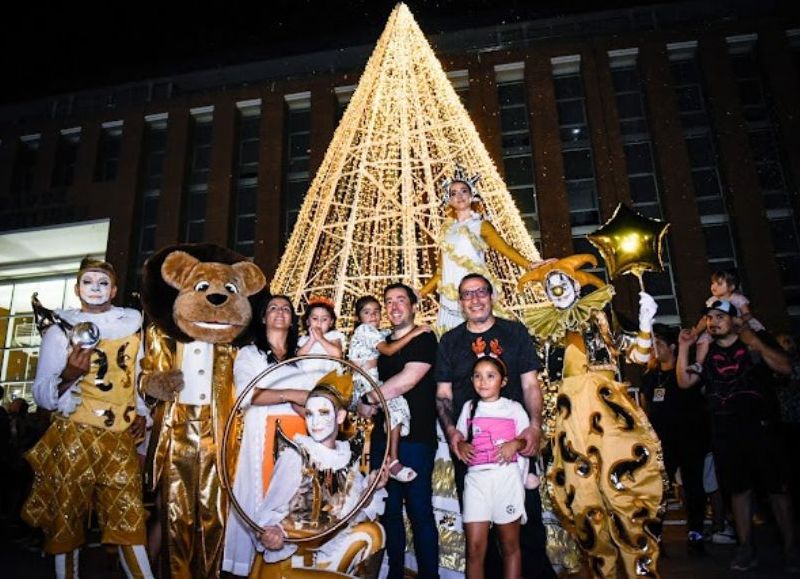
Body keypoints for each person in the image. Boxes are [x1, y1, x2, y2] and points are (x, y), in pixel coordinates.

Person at [520, 254, 664, 578]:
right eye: (550, 284)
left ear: (575, 285)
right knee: (585, 505)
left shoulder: (600, 317)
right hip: (569, 423)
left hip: (609, 416)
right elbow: (536, 383)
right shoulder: (544, 334)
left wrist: (644, 325)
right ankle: (604, 572)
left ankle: (641, 569)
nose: (557, 287)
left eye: (562, 281)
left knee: (624, 491)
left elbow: (639, 356)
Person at [23, 257, 153, 579]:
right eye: (88, 282)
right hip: (74, 435)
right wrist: (69, 374)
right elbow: (41, 393)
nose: (95, 289)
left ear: (114, 289)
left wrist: (143, 415)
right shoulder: (60, 330)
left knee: (129, 520)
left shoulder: (132, 327)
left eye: (102, 283)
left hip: (120, 437)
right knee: (66, 522)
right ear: (77, 288)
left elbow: (138, 377)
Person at [436, 273, 554, 579]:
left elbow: (530, 385)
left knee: (525, 526)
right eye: (467, 294)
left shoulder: (514, 333)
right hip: (472, 452)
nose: (475, 299)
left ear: (492, 295)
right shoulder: (450, 341)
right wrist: (453, 436)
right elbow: (444, 395)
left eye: (481, 292)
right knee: (478, 535)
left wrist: (535, 427)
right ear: (460, 302)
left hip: (516, 446)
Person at [677, 299, 798, 572]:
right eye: (709, 317)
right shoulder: (706, 354)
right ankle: (746, 548)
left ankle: (791, 548)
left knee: (777, 490)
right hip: (726, 432)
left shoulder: (753, 344)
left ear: (734, 321)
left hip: (762, 428)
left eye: (720, 316)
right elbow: (685, 381)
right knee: (738, 491)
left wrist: (754, 341)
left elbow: (785, 367)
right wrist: (684, 347)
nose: (713, 321)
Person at [254, 372, 388, 575]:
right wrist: (273, 531)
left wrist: (371, 488)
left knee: (374, 533)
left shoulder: (345, 458)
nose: (314, 422)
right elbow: (268, 512)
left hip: (324, 555)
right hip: (288, 561)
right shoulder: (296, 456)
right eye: (309, 414)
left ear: (340, 416)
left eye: (323, 413)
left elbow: (351, 515)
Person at [222, 295, 318, 577]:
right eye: (273, 308)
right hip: (262, 437)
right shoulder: (249, 354)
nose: (280, 312)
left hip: (298, 440)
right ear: (263, 317)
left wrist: (303, 404)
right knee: (258, 499)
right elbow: (246, 395)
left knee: (292, 502)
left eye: (286, 309)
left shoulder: (303, 359)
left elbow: (313, 400)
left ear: (292, 320)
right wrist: (291, 395)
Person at [359, 283, 439, 578]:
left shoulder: (425, 339)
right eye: (388, 301)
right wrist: (360, 402)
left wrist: (368, 399)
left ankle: (430, 574)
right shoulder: (379, 343)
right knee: (389, 511)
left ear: (414, 305)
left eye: (400, 300)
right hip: (382, 439)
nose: (394, 306)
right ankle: (394, 572)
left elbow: (407, 380)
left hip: (415, 439)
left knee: (419, 511)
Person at [419, 164, 552, 332]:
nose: (459, 196)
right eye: (453, 193)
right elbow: (440, 272)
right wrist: (420, 294)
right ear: (449, 200)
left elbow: (506, 249)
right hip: (450, 299)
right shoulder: (446, 231)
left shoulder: (481, 225)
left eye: (463, 191)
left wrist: (529, 264)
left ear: (472, 194)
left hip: (474, 293)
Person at [456, 356, 529, 579]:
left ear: (503, 382)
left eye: (490, 376)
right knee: (475, 549)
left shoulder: (514, 408)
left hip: (506, 480)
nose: (483, 382)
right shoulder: (469, 408)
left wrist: (516, 444)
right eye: (477, 376)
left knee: (509, 546)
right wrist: (462, 445)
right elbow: (459, 440)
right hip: (476, 482)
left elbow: (530, 443)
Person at [640, 323, 710, 554]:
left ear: (672, 347)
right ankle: (656, 535)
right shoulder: (651, 376)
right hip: (662, 443)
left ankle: (696, 532)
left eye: (658, 343)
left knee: (693, 486)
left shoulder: (685, 370)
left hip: (690, 438)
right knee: (658, 489)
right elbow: (645, 406)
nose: (654, 348)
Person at [348, 295, 431, 482]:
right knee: (396, 403)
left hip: (372, 383)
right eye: (366, 312)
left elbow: (390, 337)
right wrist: (414, 333)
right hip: (365, 384)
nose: (373, 316)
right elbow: (388, 350)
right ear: (358, 317)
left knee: (397, 406)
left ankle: (392, 459)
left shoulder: (378, 333)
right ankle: (392, 460)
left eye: (376, 311)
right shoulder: (364, 330)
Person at [688, 269, 765, 374]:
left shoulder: (737, 298)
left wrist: (741, 319)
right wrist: (696, 331)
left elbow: (748, 314)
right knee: (703, 340)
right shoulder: (712, 301)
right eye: (713, 283)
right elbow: (705, 319)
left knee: (748, 337)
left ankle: (755, 359)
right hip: (719, 328)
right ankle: (699, 364)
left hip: (737, 325)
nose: (714, 286)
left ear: (731, 287)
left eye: (719, 284)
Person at [296, 297, 346, 383]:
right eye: (315, 318)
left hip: (328, 378)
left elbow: (337, 354)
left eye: (324, 319)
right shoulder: (304, 339)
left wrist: (320, 339)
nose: (319, 322)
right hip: (306, 378)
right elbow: (299, 355)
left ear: (331, 322)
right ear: (307, 321)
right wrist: (311, 340)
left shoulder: (333, 336)